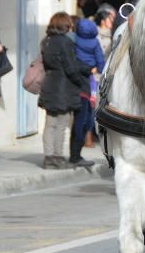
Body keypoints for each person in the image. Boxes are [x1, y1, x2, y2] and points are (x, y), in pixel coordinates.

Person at [38, 13, 91, 169]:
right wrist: (81, 82)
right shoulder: (65, 42)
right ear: (65, 25)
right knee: (61, 124)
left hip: (49, 85)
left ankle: (48, 157)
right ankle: (58, 156)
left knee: (49, 124)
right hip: (64, 88)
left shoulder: (46, 41)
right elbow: (71, 68)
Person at [71, 17, 104, 167]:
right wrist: (95, 68)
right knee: (87, 116)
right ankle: (77, 152)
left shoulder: (73, 40)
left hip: (74, 81)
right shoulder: (95, 42)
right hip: (88, 80)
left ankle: (75, 153)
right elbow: (101, 62)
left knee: (78, 117)